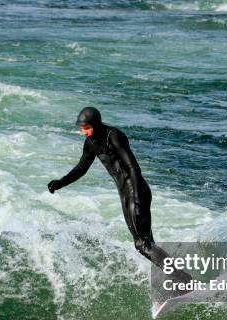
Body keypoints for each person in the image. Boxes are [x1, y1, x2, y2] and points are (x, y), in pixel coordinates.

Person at [48, 107, 190, 285]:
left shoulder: (113, 136)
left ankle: (183, 279)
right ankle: (178, 279)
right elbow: (81, 169)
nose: (83, 132)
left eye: (87, 128)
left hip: (136, 191)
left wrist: (137, 196)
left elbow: (133, 167)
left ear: (97, 124)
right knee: (146, 244)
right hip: (125, 195)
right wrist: (60, 182)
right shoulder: (90, 143)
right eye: (81, 128)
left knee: (142, 245)